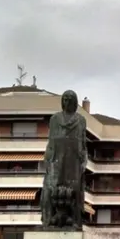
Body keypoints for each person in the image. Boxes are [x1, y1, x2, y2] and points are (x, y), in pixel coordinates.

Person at [41, 90, 87, 230]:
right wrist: (47, 159)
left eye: (70, 99)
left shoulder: (80, 120)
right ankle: (50, 218)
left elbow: (83, 143)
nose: (67, 102)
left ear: (75, 102)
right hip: (56, 159)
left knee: (74, 190)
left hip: (73, 161)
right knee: (50, 188)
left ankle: (74, 219)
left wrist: (83, 160)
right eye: (65, 99)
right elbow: (50, 142)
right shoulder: (54, 119)